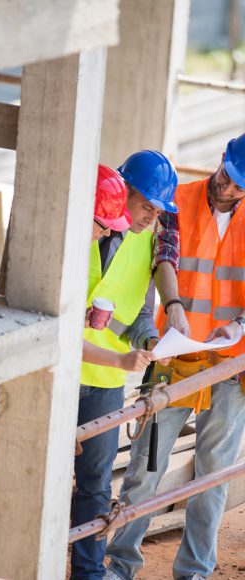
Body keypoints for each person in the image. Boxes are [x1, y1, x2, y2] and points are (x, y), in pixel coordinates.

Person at [105, 134, 245, 580]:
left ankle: (195, 572)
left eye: (239, 186)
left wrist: (239, 328)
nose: (227, 189)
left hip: (228, 363)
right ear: (222, 159)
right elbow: (151, 267)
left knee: (212, 475)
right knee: (145, 471)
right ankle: (120, 564)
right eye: (227, 176)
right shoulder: (176, 202)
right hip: (171, 358)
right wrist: (162, 320)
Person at [71, 151, 178, 580]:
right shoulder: (81, 228)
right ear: (123, 191)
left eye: (157, 212)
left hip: (105, 380)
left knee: (95, 486)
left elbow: (136, 316)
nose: (149, 218)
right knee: (39, 475)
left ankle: (88, 574)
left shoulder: (147, 242)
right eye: (145, 206)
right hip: (59, 373)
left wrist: (150, 338)